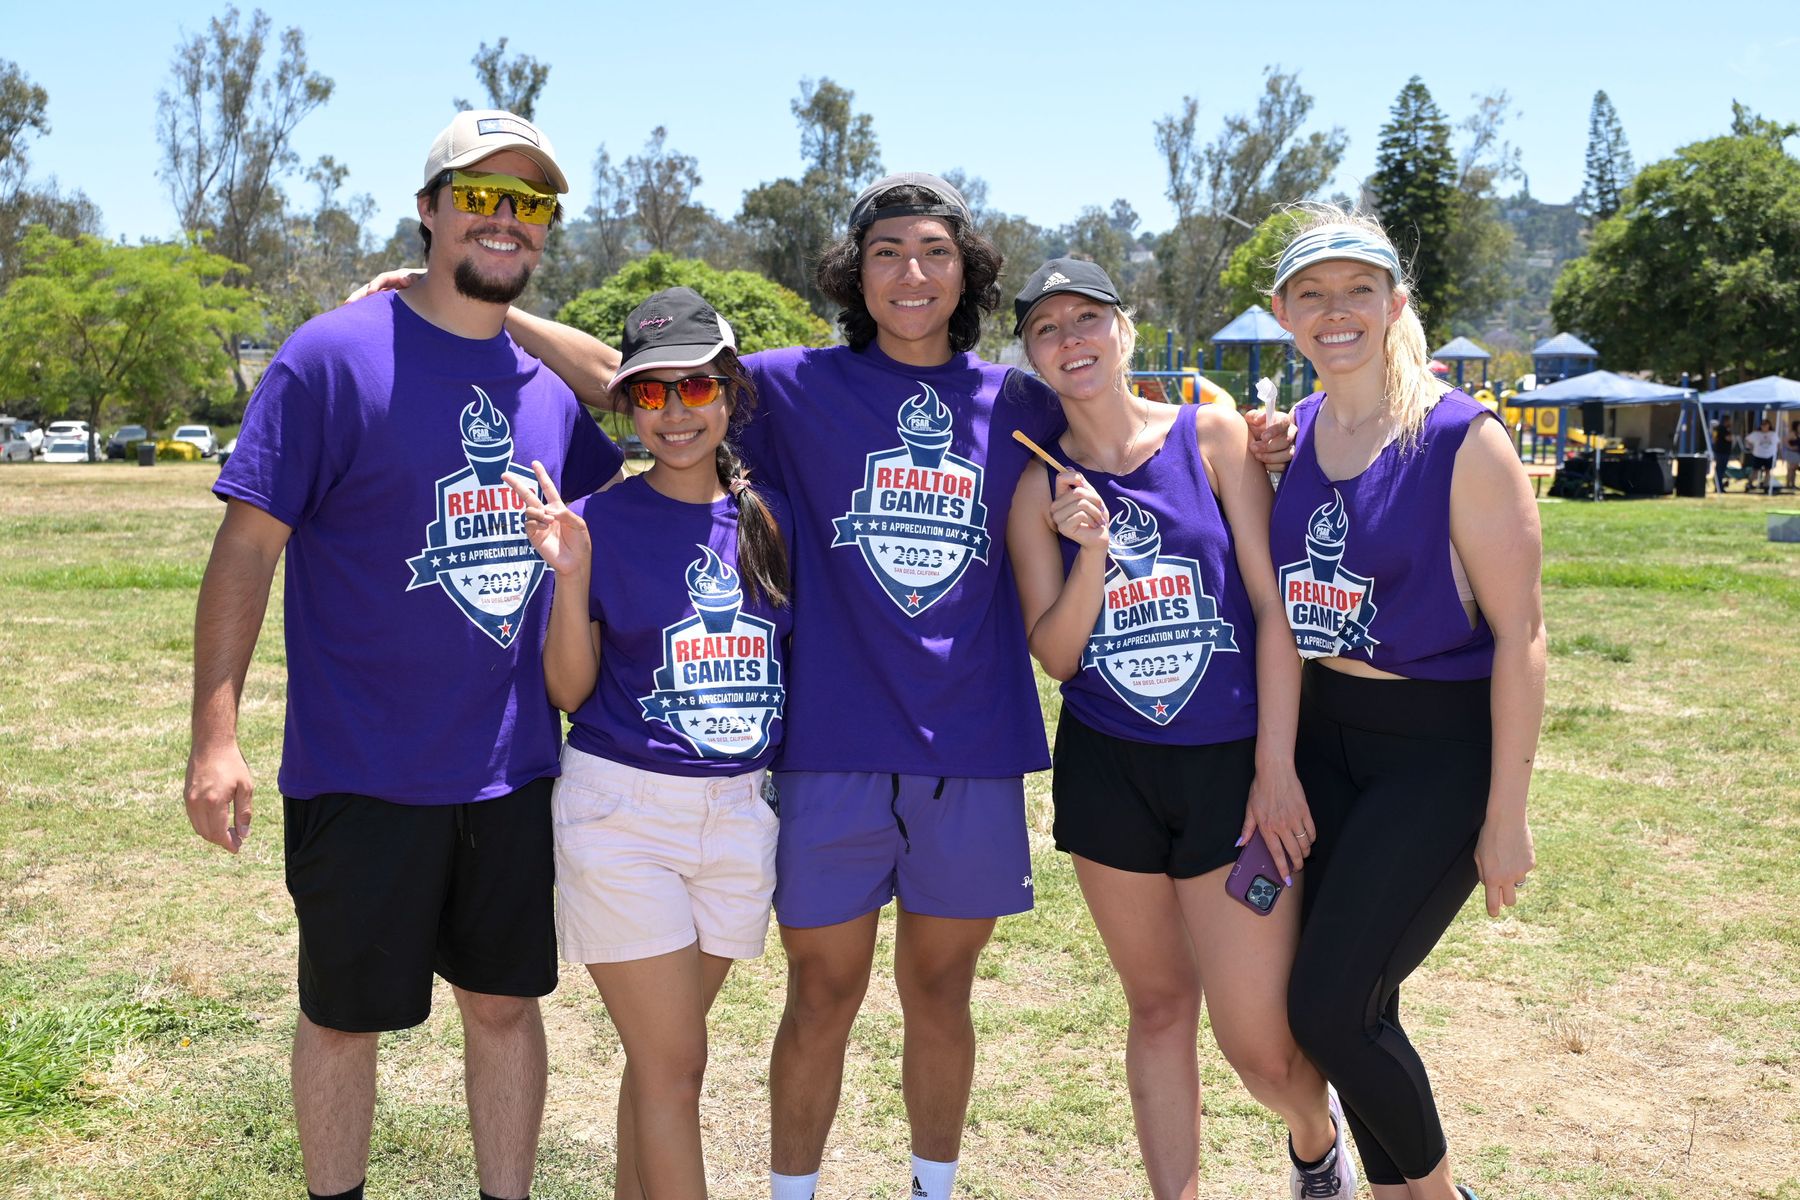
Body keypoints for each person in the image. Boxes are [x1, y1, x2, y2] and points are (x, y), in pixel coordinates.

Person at [346, 173, 1295, 1200]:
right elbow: (638, 376)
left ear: (966, 273)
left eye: (934, 252)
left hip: (972, 751)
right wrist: (483, 307)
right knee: (823, 990)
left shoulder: (1018, 402)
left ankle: (932, 1187)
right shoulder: (791, 386)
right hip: (829, 750)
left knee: (941, 990)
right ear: (856, 273)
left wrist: (1260, 435)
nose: (911, 274)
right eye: (887, 252)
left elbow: (1128, 426)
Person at [184, 109, 623, 1200]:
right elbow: (246, 551)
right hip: (360, 767)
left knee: (505, 1008)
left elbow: (638, 414)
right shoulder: (330, 358)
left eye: (528, 203)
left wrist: (518, 326)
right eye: (479, 196)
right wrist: (215, 738)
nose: (504, 219)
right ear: (428, 210)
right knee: (343, 1019)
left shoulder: (546, 394)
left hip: (512, 770)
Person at [1005, 259, 1353, 1199]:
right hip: (1109, 771)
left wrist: (1275, 769)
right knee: (1158, 1007)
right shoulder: (1037, 484)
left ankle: (1316, 1140)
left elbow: (1274, 609)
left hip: (1230, 769)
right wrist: (1088, 554)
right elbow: (1057, 656)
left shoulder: (1211, 435)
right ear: (1032, 355)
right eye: (1046, 329)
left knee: (1259, 1046)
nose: (1071, 339)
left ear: (1125, 330)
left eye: (1087, 318)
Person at [1265, 207, 1543, 1200]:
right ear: (1284, 314)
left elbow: (1523, 636)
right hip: (1326, 741)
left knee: (1330, 1008)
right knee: (1355, 1004)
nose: (1335, 310)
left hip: (1436, 752)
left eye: (1358, 290)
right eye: (1312, 293)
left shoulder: (1462, 438)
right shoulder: (1293, 434)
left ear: (1395, 303)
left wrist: (1506, 816)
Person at [509, 287, 791, 1199]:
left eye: (696, 388)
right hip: (623, 815)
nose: (675, 412)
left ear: (730, 395)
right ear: (627, 403)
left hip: (739, 820)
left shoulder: (771, 521)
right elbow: (567, 690)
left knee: (660, 1063)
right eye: (652, 392)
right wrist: (572, 574)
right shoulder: (597, 519)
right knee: (675, 1068)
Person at [1745, 417, 1779, 493]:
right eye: (1763, 425)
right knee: (1755, 471)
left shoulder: (1773, 434)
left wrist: (1776, 452)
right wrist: (1750, 447)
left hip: (1769, 455)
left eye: (1766, 425)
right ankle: (1749, 484)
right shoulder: (1756, 434)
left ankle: (1766, 485)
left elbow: (1777, 444)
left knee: (1768, 471)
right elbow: (1747, 440)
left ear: (1769, 425)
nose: (1764, 426)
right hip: (1758, 455)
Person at [1712, 418, 1735, 494]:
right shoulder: (1723, 429)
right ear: (1726, 421)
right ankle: (1719, 487)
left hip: (1719, 452)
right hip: (1723, 453)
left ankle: (1718, 486)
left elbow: (1714, 439)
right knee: (1720, 470)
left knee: (1718, 470)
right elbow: (1728, 438)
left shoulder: (1717, 429)